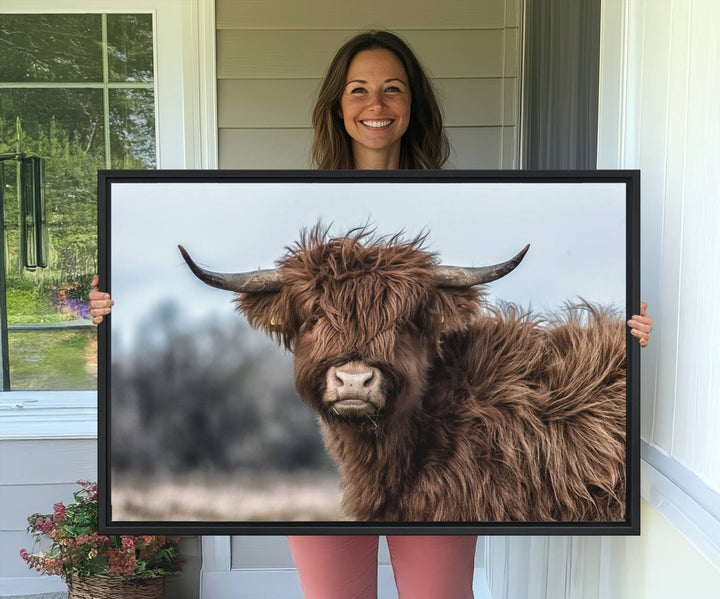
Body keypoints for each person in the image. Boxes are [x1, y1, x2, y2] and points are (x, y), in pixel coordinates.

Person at [89, 30, 653, 599]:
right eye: (358, 90)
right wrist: (112, 312)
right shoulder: (290, 199)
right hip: (348, 472)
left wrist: (628, 339)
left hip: (432, 454)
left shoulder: (455, 200)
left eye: (393, 90)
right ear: (338, 105)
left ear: (413, 106)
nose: (376, 105)